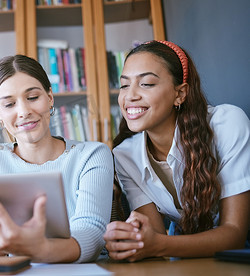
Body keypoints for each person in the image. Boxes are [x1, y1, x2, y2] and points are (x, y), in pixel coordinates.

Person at [0, 54, 114, 263]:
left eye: (32, 98)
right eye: (9, 104)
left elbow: (92, 233)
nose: (23, 112)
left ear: (50, 98)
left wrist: (40, 249)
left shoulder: (92, 155)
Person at [104, 40, 250, 262]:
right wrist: (132, 240)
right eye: (124, 85)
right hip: (185, 257)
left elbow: (235, 234)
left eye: (146, 84)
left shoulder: (228, 124)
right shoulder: (125, 156)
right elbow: (153, 238)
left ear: (180, 94)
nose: (130, 95)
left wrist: (158, 244)